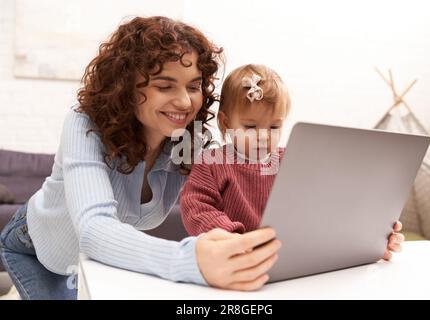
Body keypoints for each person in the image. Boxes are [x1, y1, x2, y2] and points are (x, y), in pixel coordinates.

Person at [0, 17, 281, 300]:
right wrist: (192, 260)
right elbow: (95, 229)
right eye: (164, 86)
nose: (185, 102)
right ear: (126, 88)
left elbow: (223, 191)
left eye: (193, 86)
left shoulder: (190, 140)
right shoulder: (84, 124)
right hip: (33, 247)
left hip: (91, 262)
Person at [180, 64, 404, 253]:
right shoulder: (211, 163)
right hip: (235, 257)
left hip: (288, 257)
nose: (263, 136)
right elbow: (196, 208)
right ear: (226, 124)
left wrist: (370, 237)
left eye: (274, 126)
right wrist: (235, 239)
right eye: (250, 126)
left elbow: (325, 203)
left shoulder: (292, 160)